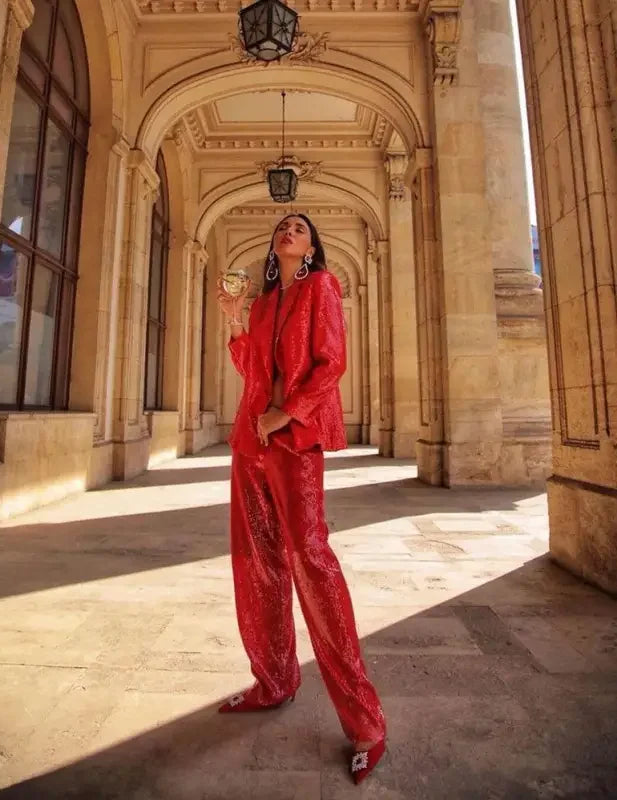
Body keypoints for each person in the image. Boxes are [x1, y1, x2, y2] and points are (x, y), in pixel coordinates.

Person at [216, 213, 386, 784]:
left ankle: (367, 724)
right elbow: (250, 370)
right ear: (275, 245)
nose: (288, 230)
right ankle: (273, 681)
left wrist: (285, 413)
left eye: (300, 227)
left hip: (294, 439)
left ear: (311, 247)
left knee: (311, 559)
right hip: (250, 441)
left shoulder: (322, 287)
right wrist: (234, 319)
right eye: (283, 226)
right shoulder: (263, 303)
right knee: (257, 563)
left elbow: (331, 363)